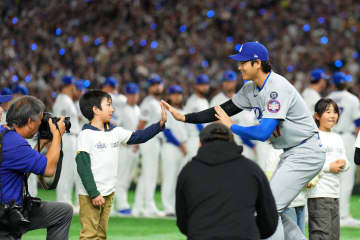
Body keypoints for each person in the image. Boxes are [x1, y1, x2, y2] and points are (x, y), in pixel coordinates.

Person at [163, 41, 325, 240]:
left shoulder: (276, 88)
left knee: (269, 208)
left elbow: (263, 133)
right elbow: (222, 111)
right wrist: (186, 117)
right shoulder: (250, 89)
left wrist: (232, 127)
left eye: (243, 62)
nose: (239, 66)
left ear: (257, 63)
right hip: (292, 152)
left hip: (305, 151)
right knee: (271, 209)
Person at [76, 90, 167, 239]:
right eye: (108, 105)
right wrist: (93, 193)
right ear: (96, 110)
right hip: (91, 195)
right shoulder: (86, 135)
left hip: (108, 193)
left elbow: (139, 136)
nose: (112, 109)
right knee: (89, 235)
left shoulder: (115, 131)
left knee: (100, 235)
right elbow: (82, 165)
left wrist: (160, 124)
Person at [176, 123, 278, 240]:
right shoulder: (252, 170)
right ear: (232, 141)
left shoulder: (188, 171)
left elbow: (183, 222)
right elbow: (270, 220)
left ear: (200, 144)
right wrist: (248, 231)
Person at [0, 96, 73, 240]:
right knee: (63, 213)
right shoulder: (15, 143)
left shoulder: (5, 134)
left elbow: (20, 167)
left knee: (62, 212)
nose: (41, 125)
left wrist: (42, 143)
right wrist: (57, 135)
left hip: (10, 209)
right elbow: (49, 170)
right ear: (29, 122)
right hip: (6, 216)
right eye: (40, 121)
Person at [307, 98, 349, 240]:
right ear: (317, 116)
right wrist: (329, 167)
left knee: (333, 236)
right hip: (318, 194)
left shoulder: (337, 137)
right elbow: (309, 164)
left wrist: (344, 164)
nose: (333, 115)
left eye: (335, 112)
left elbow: (345, 161)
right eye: (328, 112)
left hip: (334, 194)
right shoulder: (313, 137)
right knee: (321, 235)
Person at [327, 72, 360, 226]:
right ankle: (343, 215)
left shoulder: (328, 98)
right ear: (345, 83)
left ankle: (328, 213)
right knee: (346, 177)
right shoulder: (352, 99)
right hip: (346, 138)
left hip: (329, 137)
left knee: (329, 176)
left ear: (333, 83)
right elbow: (358, 124)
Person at [133, 74, 165, 217]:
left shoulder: (156, 102)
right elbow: (141, 124)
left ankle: (138, 207)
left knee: (147, 174)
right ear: (150, 88)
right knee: (150, 174)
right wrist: (137, 141)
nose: (157, 86)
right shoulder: (148, 102)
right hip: (149, 140)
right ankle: (149, 206)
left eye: (158, 84)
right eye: (154, 84)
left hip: (154, 141)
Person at [210, 70, 257, 161]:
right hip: (223, 142)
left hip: (242, 142)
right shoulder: (216, 101)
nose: (229, 84)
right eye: (226, 82)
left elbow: (244, 124)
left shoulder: (240, 99)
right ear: (223, 83)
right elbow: (215, 124)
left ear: (235, 82)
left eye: (231, 82)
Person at [53, 76, 82, 211]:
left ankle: (67, 201)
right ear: (70, 86)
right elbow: (59, 122)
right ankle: (63, 202)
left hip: (72, 137)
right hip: (66, 137)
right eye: (74, 85)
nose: (75, 88)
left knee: (71, 171)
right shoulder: (62, 100)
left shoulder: (68, 100)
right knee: (65, 171)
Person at [113, 83, 141, 216]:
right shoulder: (121, 110)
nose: (133, 97)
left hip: (135, 148)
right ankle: (122, 205)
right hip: (124, 147)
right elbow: (114, 127)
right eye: (130, 94)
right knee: (121, 177)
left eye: (134, 94)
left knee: (128, 177)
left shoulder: (138, 109)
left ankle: (118, 203)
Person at [161, 85, 187, 216]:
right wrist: (181, 145)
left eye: (179, 93)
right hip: (170, 147)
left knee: (178, 179)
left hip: (181, 149)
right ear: (169, 96)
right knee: (169, 178)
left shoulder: (183, 110)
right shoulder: (166, 110)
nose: (177, 96)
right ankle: (167, 207)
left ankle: (175, 207)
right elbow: (167, 132)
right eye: (174, 93)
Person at [183, 74, 210, 163]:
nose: (204, 87)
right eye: (201, 85)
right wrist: (207, 137)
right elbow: (198, 123)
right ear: (196, 86)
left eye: (206, 84)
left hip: (201, 138)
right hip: (195, 139)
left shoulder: (204, 101)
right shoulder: (193, 101)